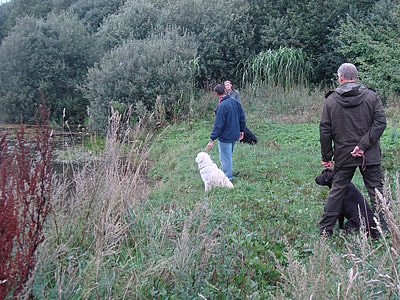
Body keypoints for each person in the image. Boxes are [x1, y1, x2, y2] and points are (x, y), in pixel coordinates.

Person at [319, 63, 387, 237]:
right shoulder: (372, 97)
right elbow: (380, 123)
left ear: (340, 78)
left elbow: (325, 129)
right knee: (376, 191)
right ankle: (384, 231)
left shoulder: (331, 100)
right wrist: (364, 145)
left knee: (337, 190)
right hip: (369, 154)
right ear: (356, 77)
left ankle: (326, 230)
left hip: (343, 155)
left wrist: (326, 156)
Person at [205, 84, 246, 181]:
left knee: (225, 158)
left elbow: (218, 125)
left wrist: (212, 139)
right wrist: (241, 130)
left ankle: (227, 179)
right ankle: (225, 172)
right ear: (225, 91)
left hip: (225, 137)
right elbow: (242, 116)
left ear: (216, 94)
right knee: (228, 156)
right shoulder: (235, 101)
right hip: (234, 134)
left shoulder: (222, 106)